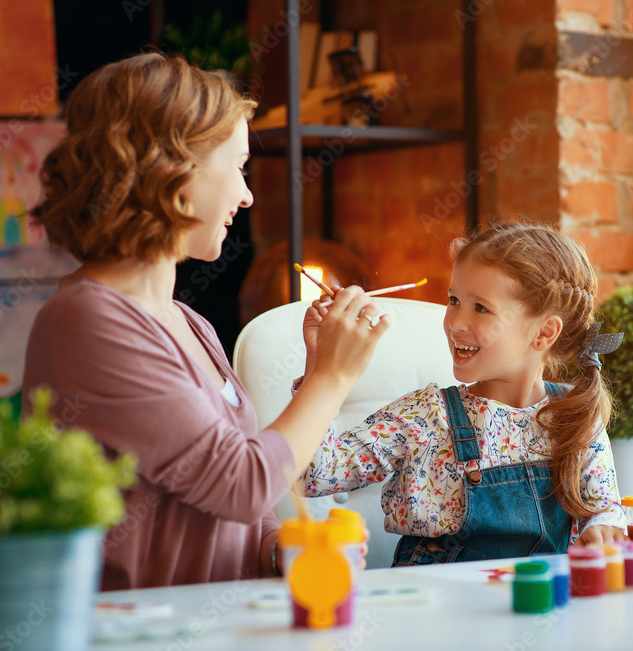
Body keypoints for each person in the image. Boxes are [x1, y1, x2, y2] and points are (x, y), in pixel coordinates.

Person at [22, 52, 389, 590]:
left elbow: (230, 496)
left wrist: (273, 548)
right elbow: (241, 483)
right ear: (173, 167)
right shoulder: (88, 322)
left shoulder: (190, 323)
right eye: (238, 167)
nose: (247, 194)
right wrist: (331, 378)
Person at [300, 222, 627, 565]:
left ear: (544, 333)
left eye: (480, 308)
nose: (455, 322)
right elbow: (314, 474)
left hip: (539, 604)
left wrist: (603, 529)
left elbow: (605, 510)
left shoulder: (576, 417)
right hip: (438, 609)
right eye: (453, 300)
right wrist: (320, 366)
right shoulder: (427, 415)